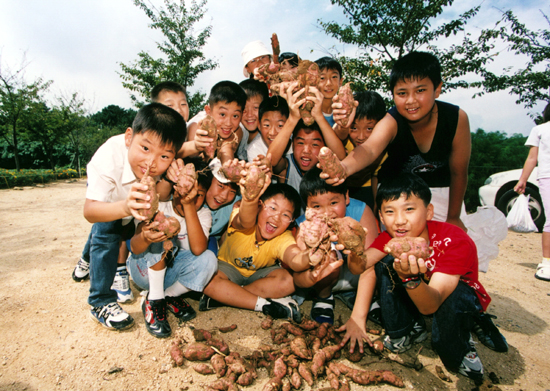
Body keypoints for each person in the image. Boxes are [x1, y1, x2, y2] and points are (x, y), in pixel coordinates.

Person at [340, 174, 507, 381]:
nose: (400, 221)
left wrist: (410, 279)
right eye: (390, 212)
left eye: (409, 209)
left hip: (448, 295)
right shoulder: (390, 238)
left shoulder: (454, 240)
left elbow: (432, 305)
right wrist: (354, 248)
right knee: (384, 263)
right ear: (381, 217)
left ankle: (464, 340)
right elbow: (360, 267)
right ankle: (406, 330)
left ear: (428, 212)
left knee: (448, 346)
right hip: (421, 291)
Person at [323, 51, 471, 231]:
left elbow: (459, 172)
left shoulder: (456, 118)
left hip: (444, 198)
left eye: (420, 90)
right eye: (402, 93)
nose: (411, 100)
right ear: (393, 94)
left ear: (437, 89)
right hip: (397, 200)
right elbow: (369, 150)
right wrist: (343, 168)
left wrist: (454, 217)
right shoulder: (391, 121)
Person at [83, 103, 186, 330]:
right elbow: (90, 211)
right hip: (109, 199)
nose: (151, 162)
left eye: (164, 156)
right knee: (107, 231)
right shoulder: (108, 159)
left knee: (129, 226)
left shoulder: (164, 167)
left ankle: (85, 257)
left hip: (129, 202)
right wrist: (125, 208)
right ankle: (100, 301)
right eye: (146, 149)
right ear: (129, 137)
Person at [200, 180, 326, 322]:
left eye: (286, 215)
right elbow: (245, 220)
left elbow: (294, 258)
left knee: (290, 280)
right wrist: (249, 199)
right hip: (227, 267)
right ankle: (264, 305)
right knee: (206, 278)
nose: (276, 218)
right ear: (259, 205)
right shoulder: (241, 213)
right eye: (272, 208)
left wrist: (310, 256)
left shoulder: (284, 236)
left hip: (260, 274)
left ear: (292, 221)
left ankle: (228, 296)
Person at [127, 158, 217, 338]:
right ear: (175, 187)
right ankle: (155, 300)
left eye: (198, 194)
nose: (190, 196)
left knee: (209, 259)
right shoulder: (159, 204)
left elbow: (199, 250)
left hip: (171, 275)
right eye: (184, 190)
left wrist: (188, 204)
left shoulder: (203, 213)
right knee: (163, 230)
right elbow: (135, 248)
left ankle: (165, 296)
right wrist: (147, 236)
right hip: (144, 269)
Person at [292, 167, 379, 324]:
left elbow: (371, 261)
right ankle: (324, 297)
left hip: (360, 275)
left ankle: (364, 296)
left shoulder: (361, 211)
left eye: (333, 202)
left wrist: (355, 246)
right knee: (327, 255)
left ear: (346, 197)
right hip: (324, 279)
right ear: (307, 208)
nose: (327, 213)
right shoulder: (304, 226)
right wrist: (311, 273)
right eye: (317, 206)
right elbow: (298, 272)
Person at [268, 82, 346, 191]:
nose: (306, 150)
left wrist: (319, 116)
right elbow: (270, 161)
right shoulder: (286, 166)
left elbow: (342, 158)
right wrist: (293, 118)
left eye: (315, 144)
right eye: (300, 143)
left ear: (326, 147)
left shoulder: (326, 168)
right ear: (292, 143)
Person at [514, 103, 550, 281]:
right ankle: (547, 262)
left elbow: (532, 158)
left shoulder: (539, 129)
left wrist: (523, 179)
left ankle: (547, 262)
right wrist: (523, 179)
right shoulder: (540, 130)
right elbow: (532, 157)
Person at [337, 91, 387, 209]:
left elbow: (376, 176)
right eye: (354, 128)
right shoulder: (343, 142)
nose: (360, 136)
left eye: (369, 128)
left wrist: (376, 207)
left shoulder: (383, 148)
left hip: (369, 192)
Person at [186, 81, 248, 163]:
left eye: (235, 116)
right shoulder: (196, 125)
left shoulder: (238, 130)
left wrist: (228, 167)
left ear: (242, 114)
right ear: (208, 111)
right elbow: (193, 157)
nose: (228, 123)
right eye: (222, 114)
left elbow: (227, 148)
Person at [247, 96, 289, 162]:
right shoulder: (254, 150)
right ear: (259, 125)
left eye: (280, 125)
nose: (272, 132)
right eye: (267, 125)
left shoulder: (297, 143)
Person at [239, 79, 270, 147]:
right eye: (244, 108)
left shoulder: (270, 136)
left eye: (256, 107)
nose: (249, 114)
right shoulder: (237, 130)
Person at [314, 56, 343, 128]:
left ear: (341, 81)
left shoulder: (343, 111)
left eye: (334, 77)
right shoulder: (308, 112)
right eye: (322, 78)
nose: (328, 83)